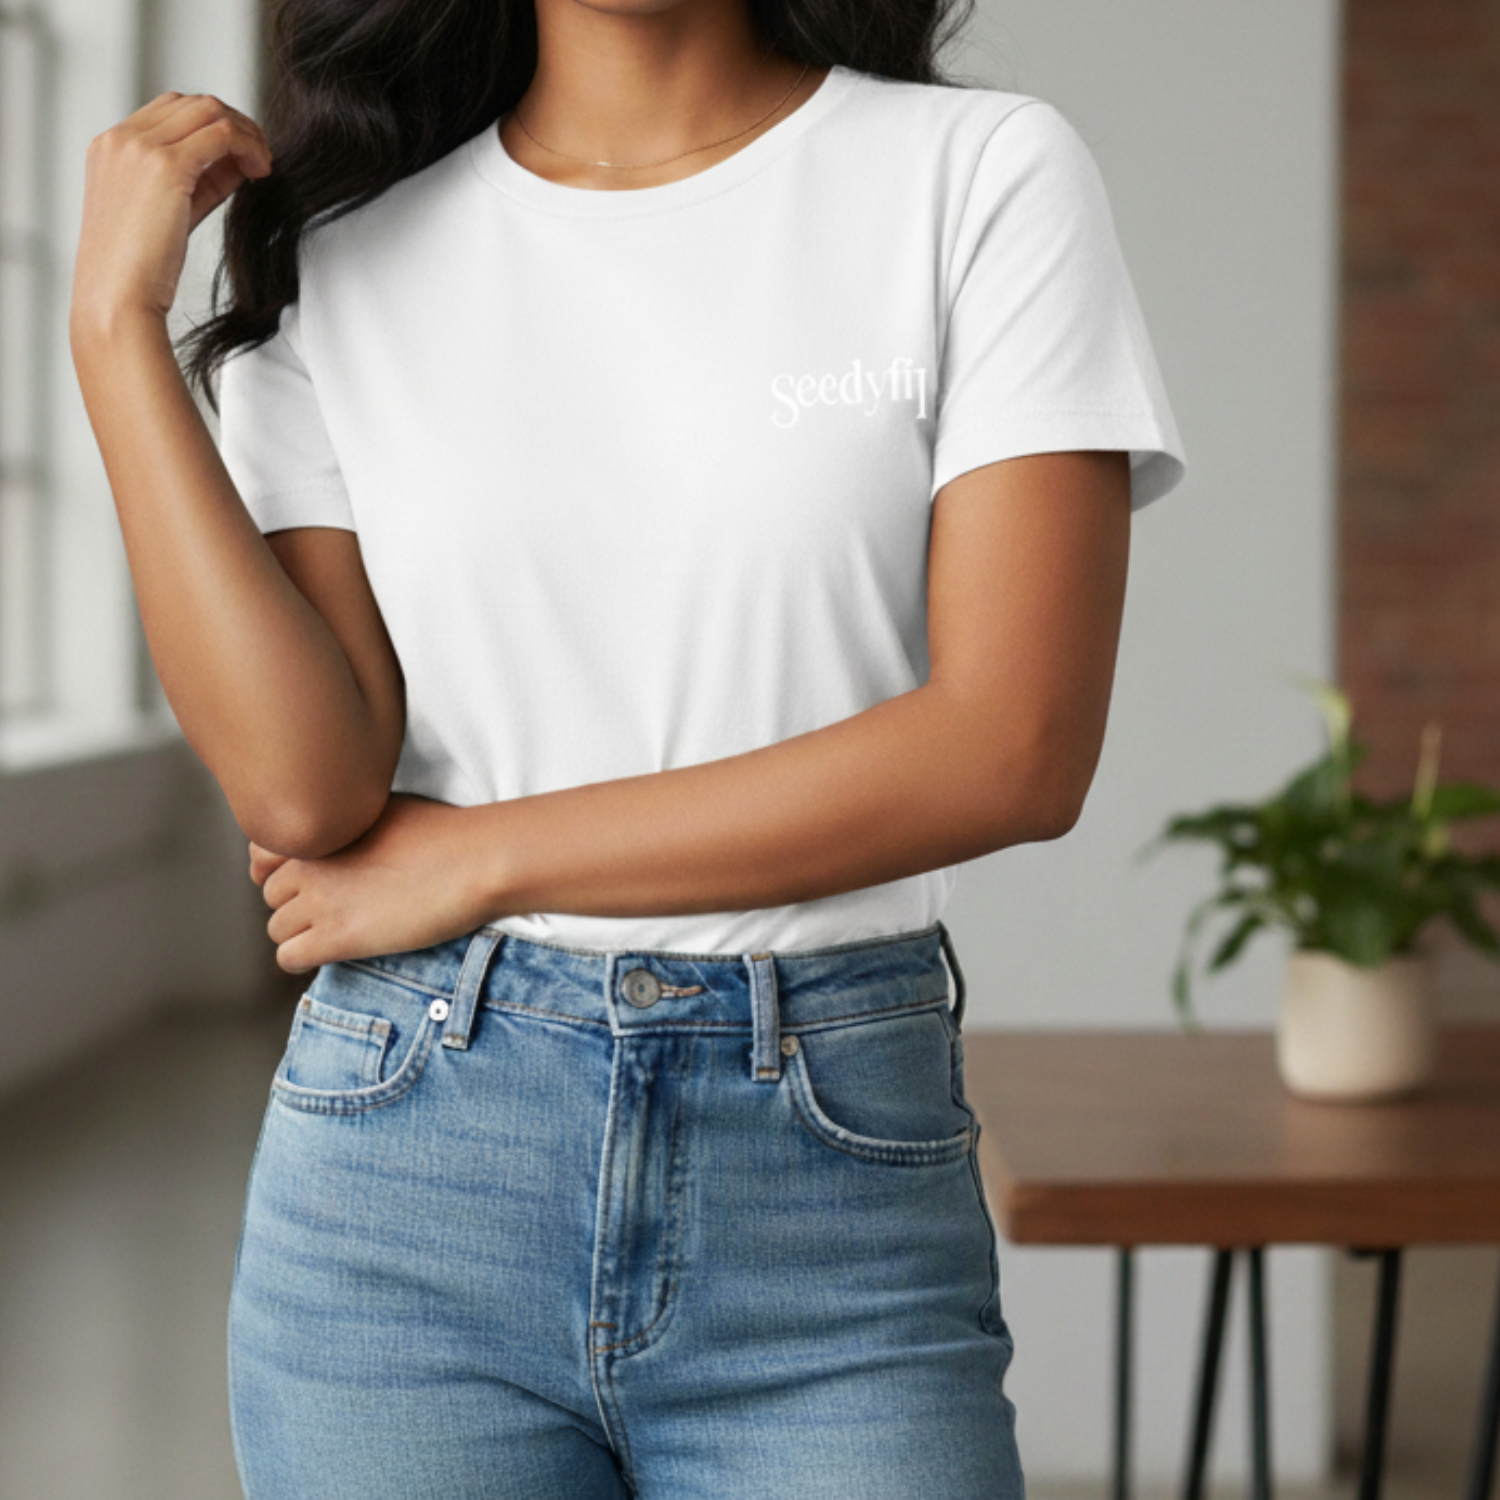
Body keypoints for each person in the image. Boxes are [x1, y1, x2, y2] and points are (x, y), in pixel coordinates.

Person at [69, 0, 1186, 1494]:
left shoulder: (975, 174)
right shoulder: (347, 248)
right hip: (406, 1181)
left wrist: (478, 855)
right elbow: (305, 786)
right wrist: (111, 328)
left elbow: (1014, 747)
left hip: (825, 1186)